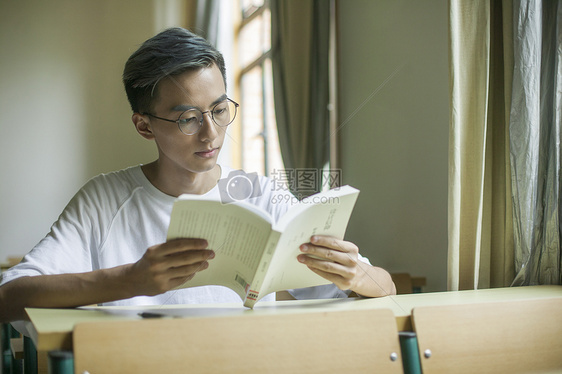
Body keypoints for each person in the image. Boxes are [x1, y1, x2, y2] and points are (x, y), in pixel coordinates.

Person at [0, 28, 396, 327]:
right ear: (144, 126)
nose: (211, 133)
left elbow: (385, 290)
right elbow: (8, 299)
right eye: (188, 118)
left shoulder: (262, 195)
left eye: (220, 110)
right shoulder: (104, 200)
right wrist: (129, 280)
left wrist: (355, 273)